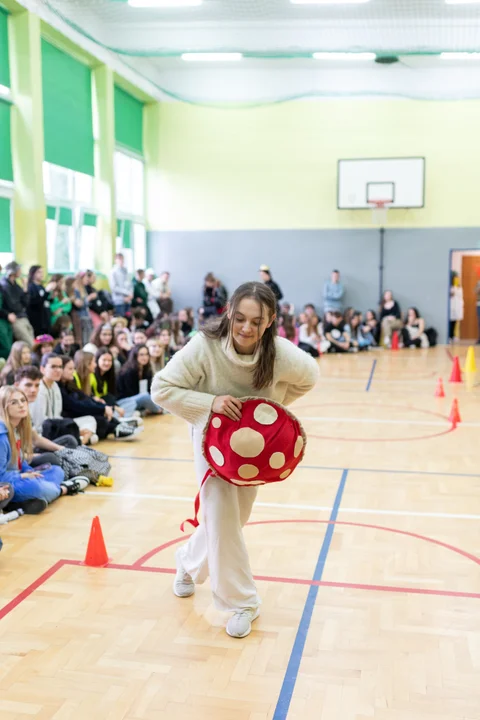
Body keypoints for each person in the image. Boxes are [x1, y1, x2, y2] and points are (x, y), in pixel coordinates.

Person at [151, 281, 319, 638]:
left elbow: (310, 376)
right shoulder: (204, 346)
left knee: (231, 517)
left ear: (271, 320)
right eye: (239, 318)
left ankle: (187, 564)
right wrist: (209, 403)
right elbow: (161, 389)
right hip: (208, 436)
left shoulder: (281, 353)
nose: (246, 328)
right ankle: (242, 603)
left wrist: (270, 411)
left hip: (251, 447)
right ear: (228, 312)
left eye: (256, 321)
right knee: (222, 511)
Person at [0, 386, 87, 515]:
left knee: (56, 471)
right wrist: (23, 476)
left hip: (19, 477)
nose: (21, 405)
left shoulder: (16, 428)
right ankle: (63, 489)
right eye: (14, 402)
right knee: (37, 487)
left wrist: (28, 471)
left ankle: (25, 502)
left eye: (23, 400)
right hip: (7, 484)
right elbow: (1, 477)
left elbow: (20, 460)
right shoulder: (2, 437)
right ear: (4, 407)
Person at [60, 356, 139, 441]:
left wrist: (104, 407)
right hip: (69, 417)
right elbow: (75, 405)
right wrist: (102, 408)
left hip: (82, 411)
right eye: (70, 369)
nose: (95, 365)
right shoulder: (67, 383)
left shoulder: (69, 384)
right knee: (97, 417)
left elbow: (86, 398)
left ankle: (118, 424)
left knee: (103, 404)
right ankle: (115, 428)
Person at [117, 345, 162, 415]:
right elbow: (129, 393)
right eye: (141, 355)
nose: (145, 357)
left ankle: (153, 409)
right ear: (135, 356)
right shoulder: (128, 371)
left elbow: (149, 390)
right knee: (145, 397)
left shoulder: (146, 370)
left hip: (139, 399)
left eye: (146, 354)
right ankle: (158, 410)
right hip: (125, 401)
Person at [0, 261, 35, 344]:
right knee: (30, 343)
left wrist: (25, 288)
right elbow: (12, 305)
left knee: (32, 341)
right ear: (13, 271)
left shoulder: (16, 285)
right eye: (18, 269)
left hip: (22, 316)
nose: (20, 271)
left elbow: (25, 302)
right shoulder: (4, 285)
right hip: (15, 318)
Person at [26, 265, 52, 337]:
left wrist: (51, 297)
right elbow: (34, 302)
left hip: (45, 318)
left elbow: (44, 301)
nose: (41, 274)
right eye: (39, 272)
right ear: (33, 274)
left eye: (42, 272)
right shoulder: (31, 287)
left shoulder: (41, 286)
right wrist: (46, 291)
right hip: (37, 320)